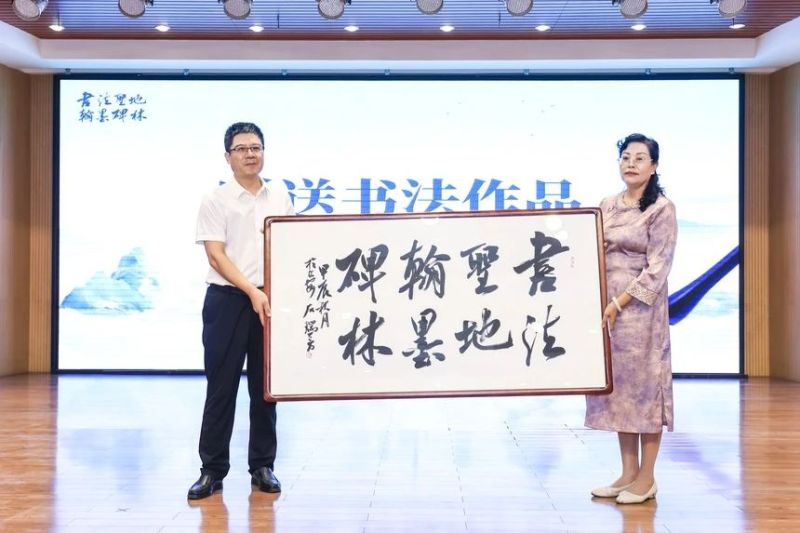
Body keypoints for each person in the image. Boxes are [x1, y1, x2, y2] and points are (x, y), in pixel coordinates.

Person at [188, 122, 295, 500]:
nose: (250, 154)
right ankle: (211, 471)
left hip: (269, 300)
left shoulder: (279, 195)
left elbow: (290, 245)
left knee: (265, 390)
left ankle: (263, 466)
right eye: (242, 148)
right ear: (227, 156)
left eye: (256, 147)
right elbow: (216, 256)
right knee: (222, 388)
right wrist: (251, 291)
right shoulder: (216, 199)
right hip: (228, 300)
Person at [584, 133, 678, 505]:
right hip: (607, 309)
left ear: (654, 166)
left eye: (640, 158)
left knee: (645, 390)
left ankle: (647, 478)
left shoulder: (661, 209)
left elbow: (658, 268)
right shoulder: (607, 204)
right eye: (626, 157)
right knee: (620, 390)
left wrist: (619, 301)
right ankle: (627, 473)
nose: (631, 164)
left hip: (641, 312)